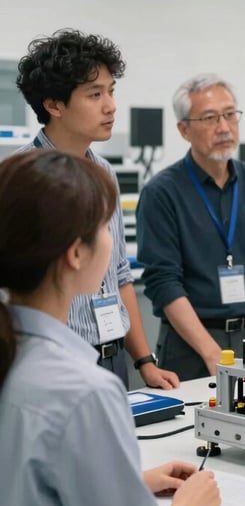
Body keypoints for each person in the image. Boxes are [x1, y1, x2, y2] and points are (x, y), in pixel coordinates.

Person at [0, 150, 220, 506]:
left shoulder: (17, 358)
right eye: (105, 227)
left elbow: (24, 493)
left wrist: (125, 486)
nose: (112, 240)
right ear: (75, 254)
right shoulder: (84, 392)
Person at [16, 29, 179, 389]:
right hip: (55, 364)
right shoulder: (22, 178)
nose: (110, 106)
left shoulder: (104, 173)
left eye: (111, 91)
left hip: (113, 358)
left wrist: (144, 361)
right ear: (54, 105)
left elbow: (118, 273)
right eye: (95, 94)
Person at [136, 74, 245, 380]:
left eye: (230, 114)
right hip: (190, 345)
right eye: (209, 118)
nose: (223, 127)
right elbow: (163, 282)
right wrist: (210, 352)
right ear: (184, 130)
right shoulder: (161, 193)